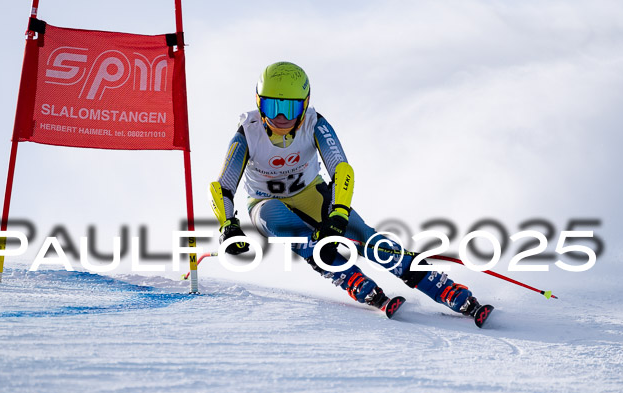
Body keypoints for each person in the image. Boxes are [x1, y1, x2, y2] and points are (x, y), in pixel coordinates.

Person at [209, 61, 492, 326]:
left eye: (290, 108)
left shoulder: (314, 123)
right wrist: (228, 227)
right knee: (292, 230)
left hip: (310, 192)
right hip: (264, 203)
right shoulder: (248, 132)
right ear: (259, 104)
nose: (281, 117)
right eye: (272, 107)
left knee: (364, 237)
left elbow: (341, 170)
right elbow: (223, 186)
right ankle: (350, 278)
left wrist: (338, 215)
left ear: (304, 106)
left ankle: (440, 286)